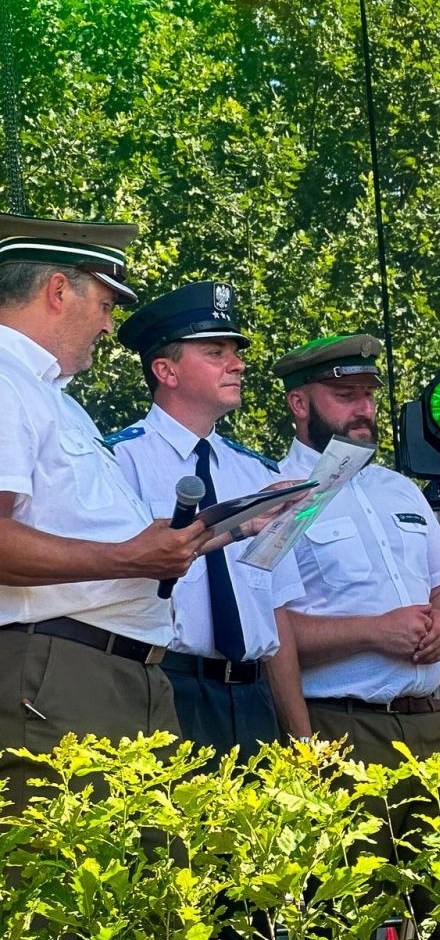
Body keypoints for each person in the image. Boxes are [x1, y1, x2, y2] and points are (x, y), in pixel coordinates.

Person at [272, 334, 440, 940]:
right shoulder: (274, 497)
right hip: (344, 732)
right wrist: (374, 632)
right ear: (299, 403)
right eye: (345, 396)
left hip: (435, 727)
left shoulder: (401, 489)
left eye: (368, 393)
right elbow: (267, 635)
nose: (363, 408)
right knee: (361, 937)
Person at [0, 216, 218, 803]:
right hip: (57, 670)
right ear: (57, 290)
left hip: (119, 673)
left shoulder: (53, 399)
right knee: (64, 883)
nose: (108, 323)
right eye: (105, 301)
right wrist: (128, 555)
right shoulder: (4, 381)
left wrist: (180, 539)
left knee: (151, 886)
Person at [110, 282, 312, 756]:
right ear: (166, 370)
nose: (237, 364)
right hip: (166, 686)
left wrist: (302, 740)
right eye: (215, 351)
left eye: (235, 351)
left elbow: (276, 609)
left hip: (253, 695)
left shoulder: (259, 472)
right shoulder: (121, 461)